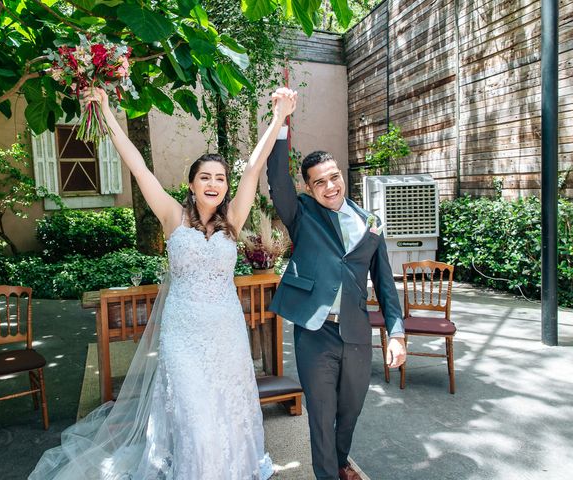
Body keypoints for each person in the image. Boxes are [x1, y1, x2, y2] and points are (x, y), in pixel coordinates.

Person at [29, 87, 297, 479]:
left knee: (225, 406)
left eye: (220, 178)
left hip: (225, 333)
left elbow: (254, 167)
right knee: (192, 414)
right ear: (191, 184)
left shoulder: (234, 220)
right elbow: (138, 167)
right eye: (205, 176)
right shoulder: (172, 216)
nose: (214, 183)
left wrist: (278, 118)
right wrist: (105, 112)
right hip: (183, 335)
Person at [266, 132, 407, 480]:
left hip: (356, 332)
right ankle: (328, 474)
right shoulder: (302, 215)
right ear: (310, 188)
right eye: (320, 183)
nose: (330, 187)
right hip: (315, 332)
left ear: (342, 175)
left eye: (334, 177)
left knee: (350, 411)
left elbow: (387, 287)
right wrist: (280, 124)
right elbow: (277, 180)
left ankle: (340, 463)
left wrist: (397, 333)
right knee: (321, 413)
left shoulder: (371, 223)